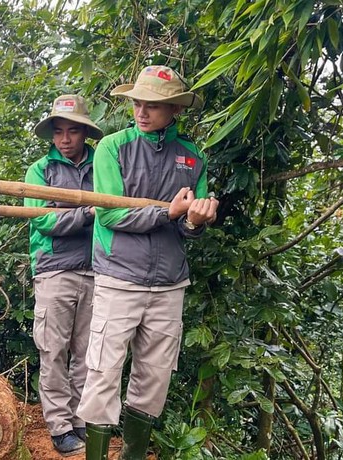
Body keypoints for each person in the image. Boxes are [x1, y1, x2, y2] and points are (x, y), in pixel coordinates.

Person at [76, 65, 219, 459]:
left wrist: (195, 220)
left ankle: (133, 455)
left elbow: (191, 227)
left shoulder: (193, 158)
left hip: (170, 283)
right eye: (137, 101)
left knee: (155, 376)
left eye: (153, 104)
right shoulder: (112, 147)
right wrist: (168, 214)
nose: (142, 110)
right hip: (119, 277)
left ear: (174, 108)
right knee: (104, 371)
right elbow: (108, 214)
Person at [24, 95, 104, 456]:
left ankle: (80, 420)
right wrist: (86, 213)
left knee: (88, 351)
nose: (66, 139)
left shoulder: (101, 166)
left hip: (97, 269)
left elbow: (113, 212)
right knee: (53, 349)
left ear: (85, 132)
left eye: (73, 131)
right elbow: (42, 220)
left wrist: (68, 212)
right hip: (54, 270)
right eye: (59, 132)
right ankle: (59, 426)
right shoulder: (41, 170)